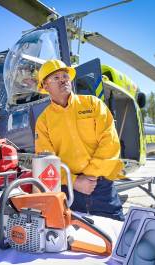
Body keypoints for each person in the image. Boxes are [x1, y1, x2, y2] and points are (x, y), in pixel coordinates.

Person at [35, 59, 125, 221]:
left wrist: (90, 177)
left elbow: (110, 142)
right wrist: (75, 182)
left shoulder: (93, 104)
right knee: (76, 241)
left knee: (117, 236)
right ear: (45, 86)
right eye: (56, 78)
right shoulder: (43, 121)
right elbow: (47, 161)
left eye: (65, 75)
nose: (63, 79)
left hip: (101, 186)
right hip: (70, 190)